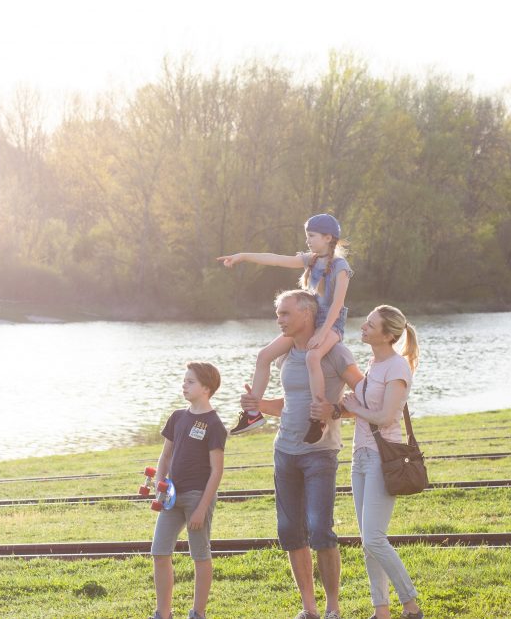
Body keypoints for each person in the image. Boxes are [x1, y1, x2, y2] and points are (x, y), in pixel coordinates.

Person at [240, 290, 362, 619]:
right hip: (285, 453)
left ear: (307, 315)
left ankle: (333, 607)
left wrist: (334, 410)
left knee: (321, 529)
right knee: (289, 530)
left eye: (285, 314)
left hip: (319, 453)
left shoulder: (336, 354)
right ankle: (309, 608)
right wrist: (258, 405)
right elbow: (289, 405)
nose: (279, 319)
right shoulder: (285, 355)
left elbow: (365, 397)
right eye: (277, 314)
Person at [317, 305, 424, 619]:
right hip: (360, 457)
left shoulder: (397, 368)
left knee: (374, 538)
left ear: (388, 335)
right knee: (369, 541)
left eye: (370, 324)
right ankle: (381, 610)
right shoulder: (374, 366)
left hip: (382, 458)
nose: (363, 326)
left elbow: (386, 416)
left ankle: (411, 604)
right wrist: (339, 409)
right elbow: (361, 408)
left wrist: (354, 407)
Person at [218, 213, 353, 438]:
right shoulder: (310, 260)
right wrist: (242, 256)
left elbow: (337, 305)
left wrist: (322, 333)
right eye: (307, 235)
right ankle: (252, 414)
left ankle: (317, 420)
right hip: (309, 325)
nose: (308, 240)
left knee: (312, 357)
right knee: (264, 355)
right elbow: (274, 258)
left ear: (328, 237)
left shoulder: (341, 266)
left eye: (312, 235)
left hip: (331, 325)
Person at [148, 361, 228, 619]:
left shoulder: (214, 424)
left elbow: (216, 471)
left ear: (206, 388)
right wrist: (160, 485)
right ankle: (163, 613)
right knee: (159, 552)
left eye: (190, 381)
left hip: (197, 498)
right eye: (184, 380)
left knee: (200, 555)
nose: (184, 385)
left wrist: (202, 509)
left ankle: (198, 613)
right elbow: (165, 455)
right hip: (172, 497)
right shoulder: (177, 417)